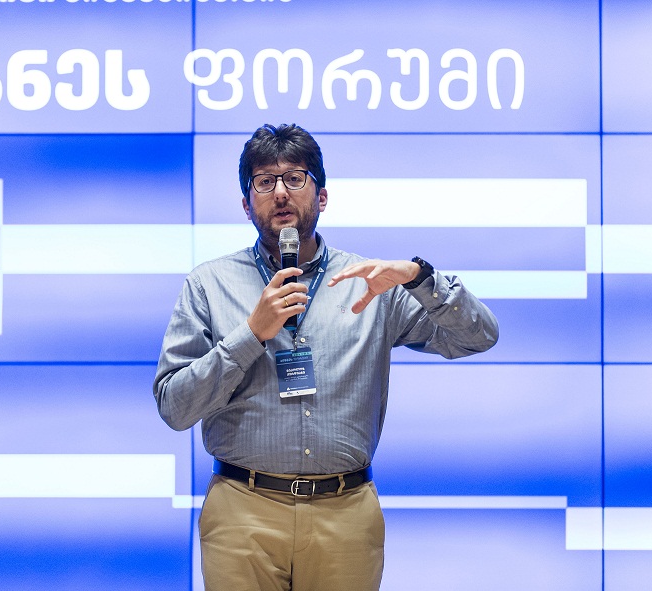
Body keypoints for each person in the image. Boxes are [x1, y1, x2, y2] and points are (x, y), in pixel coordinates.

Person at [153, 123, 499, 590]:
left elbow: (478, 337)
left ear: (322, 196)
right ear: (246, 204)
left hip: (346, 513)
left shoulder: (370, 282)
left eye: (295, 178)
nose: (280, 192)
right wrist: (251, 334)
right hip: (242, 511)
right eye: (264, 181)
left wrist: (420, 278)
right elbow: (174, 407)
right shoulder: (208, 284)